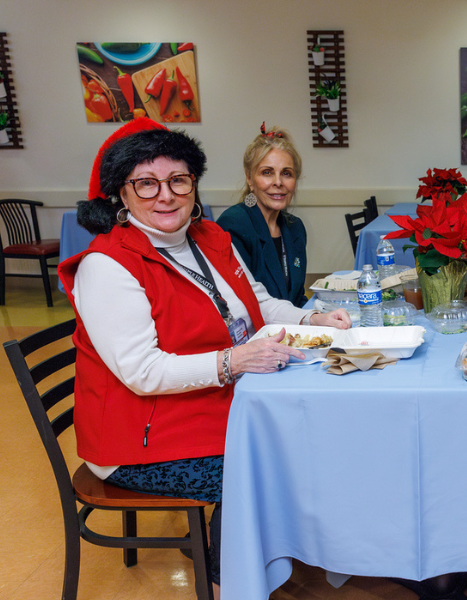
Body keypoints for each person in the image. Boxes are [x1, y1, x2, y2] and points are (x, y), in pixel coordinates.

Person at [58, 118, 351, 594]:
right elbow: (143, 373)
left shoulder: (210, 238)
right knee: (272, 464)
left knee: (309, 436)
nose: (165, 196)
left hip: (204, 406)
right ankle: (229, 580)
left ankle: (263, 557)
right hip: (138, 439)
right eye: (146, 183)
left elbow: (259, 304)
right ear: (120, 194)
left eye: (178, 180)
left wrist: (312, 318)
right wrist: (233, 362)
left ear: (194, 185)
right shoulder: (107, 266)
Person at [217, 123, 308, 307]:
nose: (278, 182)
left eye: (287, 174)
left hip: (291, 330)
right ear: (250, 178)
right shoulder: (234, 224)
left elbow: (297, 298)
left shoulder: (295, 227)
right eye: (267, 172)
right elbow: (240, 303)